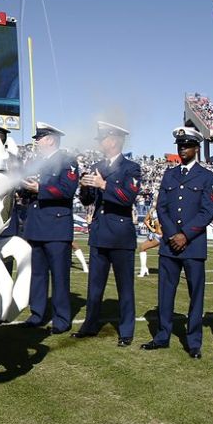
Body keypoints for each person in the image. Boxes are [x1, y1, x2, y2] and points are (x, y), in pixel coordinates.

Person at [140, 128, 213, 359]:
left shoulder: (206, 176)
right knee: (165, 292)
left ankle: (194, 342)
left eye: (187, 145)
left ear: (196, 149)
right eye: (179, 146)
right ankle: (162, 336)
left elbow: (208, 211)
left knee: (196, 295)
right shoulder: (169, 175)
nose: (182, 149)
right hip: (170, 245)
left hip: (193, 245)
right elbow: (161, 207)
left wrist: (185, 234)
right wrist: (173, 234)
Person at [73, 122, 142, 346]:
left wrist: (104, 185)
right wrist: (84, 187)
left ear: (113, 140)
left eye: (103, 139)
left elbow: (127, 198)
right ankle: (90, 325)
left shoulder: (131, 168)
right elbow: (87, 200)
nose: (101, 143)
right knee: (94, 286)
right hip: (101, 232)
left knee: (125, 288)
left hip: (121, 235)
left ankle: (126, 331)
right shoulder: (97, 166)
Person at [19, 122, 79, 334]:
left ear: (51, 139)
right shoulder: (36, 162)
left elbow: (67, 189)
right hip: (37, 226)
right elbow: (30, 191)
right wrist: (24, 188)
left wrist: (39, 188)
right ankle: (37, 314)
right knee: (38, 274)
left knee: (60, 276)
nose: (36, 141)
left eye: (40, 138)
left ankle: (61, 319)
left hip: (56, 227)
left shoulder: (67, 161)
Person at [136, 198, 161, 277]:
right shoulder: (152, 211)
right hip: (158, 235)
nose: (155, 203)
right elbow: (145, 220)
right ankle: (143, 269)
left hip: (166, 236)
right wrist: (152, 229)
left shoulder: (166, 210)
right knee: (142, 247)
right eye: (155, 201)